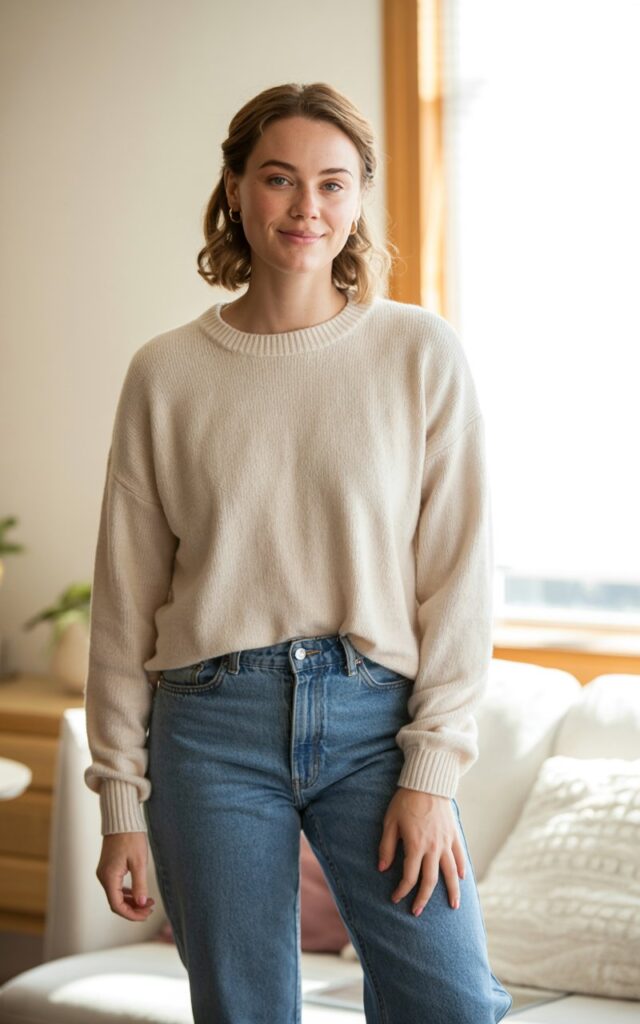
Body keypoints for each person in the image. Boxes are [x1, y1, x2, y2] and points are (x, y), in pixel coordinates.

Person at [83, 81, 513, 1024]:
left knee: (451, 1004)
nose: (307, 208)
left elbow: (460, 579)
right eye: (279, 179)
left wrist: (430, 774)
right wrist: (121, 800)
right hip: (209, 729)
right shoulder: (166, 373)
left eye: (333, 182)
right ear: (235, 188)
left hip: (374, 724)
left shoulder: (419, 353)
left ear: (360, 196)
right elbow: (124, 602)